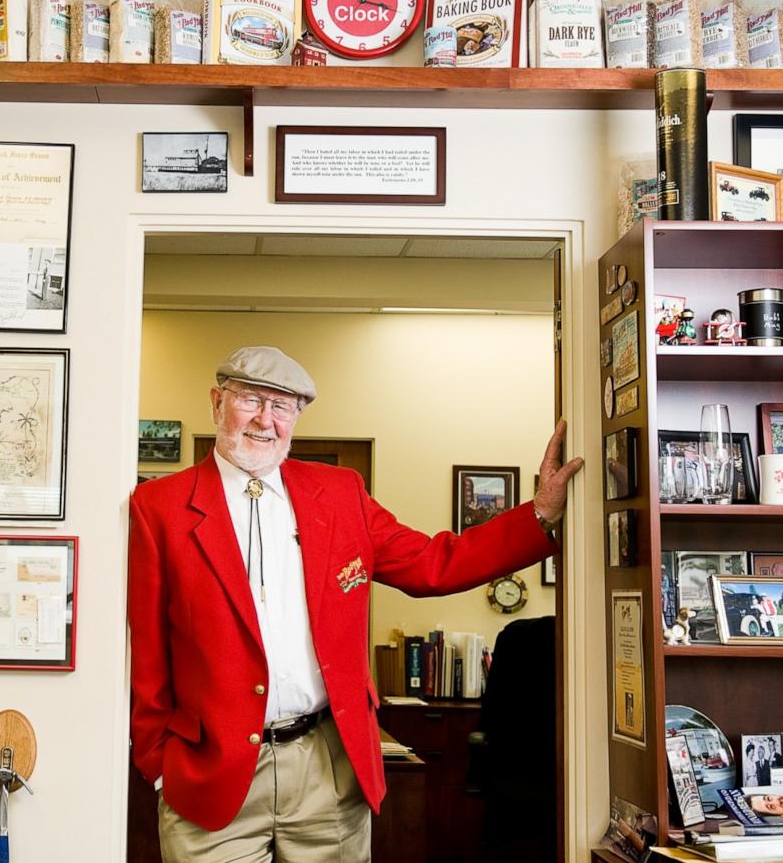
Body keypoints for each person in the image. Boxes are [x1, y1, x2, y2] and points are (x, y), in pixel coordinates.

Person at [127, 346, 581, 859]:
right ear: (216, 403)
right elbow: (147, 651)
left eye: (282, 406)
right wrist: (158, 764)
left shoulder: (341, 493)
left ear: (296, 417)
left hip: (328, 765)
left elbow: (436, 562)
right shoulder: (158, 507)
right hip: (210, 772)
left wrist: (539, 514)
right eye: (250, 400)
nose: (264, 419)